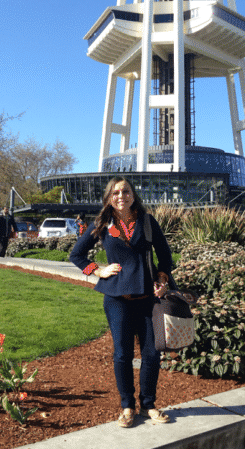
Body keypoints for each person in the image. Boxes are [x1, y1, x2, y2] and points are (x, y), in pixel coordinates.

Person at [70, 178, 174, 427]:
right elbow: (77, 254)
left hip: (149, 299)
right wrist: (97, 270)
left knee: (152, 354)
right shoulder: (102, 224)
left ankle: (148, 405)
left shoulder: (147, 221)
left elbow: (165, 255)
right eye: (115, 192)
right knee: (122, 355)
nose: (121, 196)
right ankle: (127, 406)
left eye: (125, 191)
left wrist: (162, 277)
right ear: (108, 197)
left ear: (133, 195)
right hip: (117, 300)